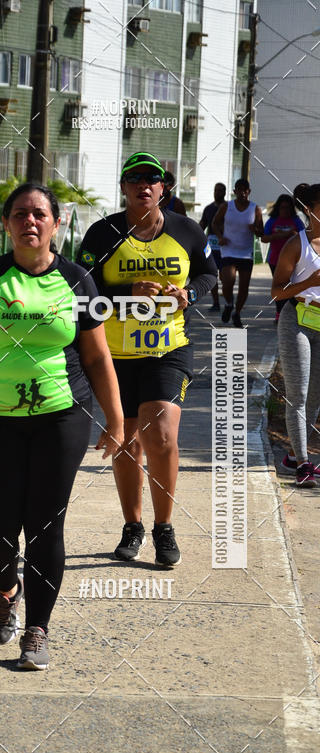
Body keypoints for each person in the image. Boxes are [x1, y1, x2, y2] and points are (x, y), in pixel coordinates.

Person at [0, 183, 124, 669]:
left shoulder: (77, 281)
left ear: (56, 224)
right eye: (20, 214)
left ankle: (37, 631)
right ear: (6, 224)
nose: (30, 221)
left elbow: (96, 355)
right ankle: (7, 589)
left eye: (40, 214)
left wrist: (116, 418)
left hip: (63, 417)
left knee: (45, 526)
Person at [78, 151, 217, 567]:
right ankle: (133, 525)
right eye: (135, 178)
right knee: (127, 441)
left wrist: (188, 294)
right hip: (113, 357)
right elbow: (82, 293)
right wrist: (125, 295)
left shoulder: (187, 231)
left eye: (152, 179)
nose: (144, 185)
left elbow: (208, 273)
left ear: (163, 188)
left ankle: (164, 527)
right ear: (123, 187)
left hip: (167, 350)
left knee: (160, 438)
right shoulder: (101, 234)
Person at [271, 182, 320, 487]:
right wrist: (310, 282)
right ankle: (303, 464)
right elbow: (277, 292)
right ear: (309, 210)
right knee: (298, 395)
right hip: (296, 320)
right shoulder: (296, 244)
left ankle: (293, 452)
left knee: (315, 396)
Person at [212, 178, 264, 328]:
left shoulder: (255, 209)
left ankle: (237, 313)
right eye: (239, 190)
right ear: (234, 191)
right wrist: (220, 237)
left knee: (244, 287)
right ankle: (229, 304)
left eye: (245, 190)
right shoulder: (226, 206)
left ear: (249, 191)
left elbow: (261, 231)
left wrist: (256, 229)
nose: (242, 193)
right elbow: (215, 223)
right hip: (228, 250)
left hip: (246, 253)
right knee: (227, 282)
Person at [261, 193, 305, 323]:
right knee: (279, 287)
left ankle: (292, 314)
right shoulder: (272, 221)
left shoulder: (296, 221)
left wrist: (294, 235)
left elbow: (304, 237)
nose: (285, 210)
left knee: (290, 288)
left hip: (294, 261)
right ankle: (279, 313)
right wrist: (281, 235)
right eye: (282, 208)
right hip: (275, 260)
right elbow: (264, 238)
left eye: (287, 208)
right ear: (277, 208)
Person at [199, 182, 226, 310]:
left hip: (226, 246)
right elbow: (202, 225)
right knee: (213, 275)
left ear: (225, 193)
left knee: (225, 277)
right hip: (212, 246)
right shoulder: (208, 208)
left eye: (221, 190)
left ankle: (228, 302)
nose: (218, 193)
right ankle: (216, 303)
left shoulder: (228, 208)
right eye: (216, 190)